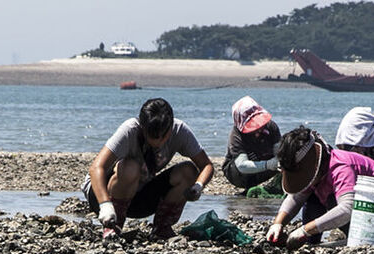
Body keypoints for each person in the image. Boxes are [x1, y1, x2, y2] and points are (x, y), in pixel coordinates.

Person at [84, 97, 213, 239]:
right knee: (130, 167)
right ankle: (113, 226)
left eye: (162, 137)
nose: (157, 142)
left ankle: (161, 228)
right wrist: (105, 204)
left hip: (138, 199)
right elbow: (96, 168)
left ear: (170, 128)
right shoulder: (130, 130)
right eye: (151, 136)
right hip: (102, 196)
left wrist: (198, 186)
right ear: (143, 127)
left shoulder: (180, 131)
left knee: (188, 171)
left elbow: (206, 165)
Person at [266, 126, 374, 248]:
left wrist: (305, 230)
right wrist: (278, 224)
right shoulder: (317, 174)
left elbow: (347, 208)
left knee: (331, 199)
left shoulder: (340, 167)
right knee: (311, 198)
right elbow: (296, 197)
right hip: (368, 216)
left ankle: (353, 239)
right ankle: (312, 242)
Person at [223, 96, 283, 196]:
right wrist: (268, 164)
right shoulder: (236, 135)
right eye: (253, 128)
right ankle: (249, 187)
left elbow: (279, 151)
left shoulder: (272, 127)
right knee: (250, 158)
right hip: (238, 173)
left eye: (260, 126)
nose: (257, 132)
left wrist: (279, 160)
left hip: (265, 163)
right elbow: (242, 165)